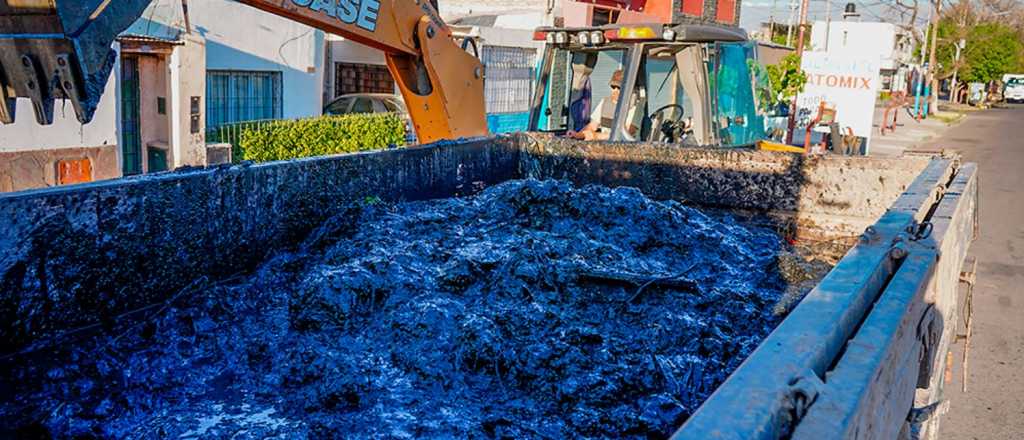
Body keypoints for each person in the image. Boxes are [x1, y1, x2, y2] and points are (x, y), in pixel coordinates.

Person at [568, 70, 637, 140]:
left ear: (628, 89)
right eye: (613, 87)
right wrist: (577, 135)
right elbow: (592, 126)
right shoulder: (605, 102)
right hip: (604, 146)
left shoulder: (634, 107)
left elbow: (626, 132)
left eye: (619, 88)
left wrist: (597, 136)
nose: (615, 91)